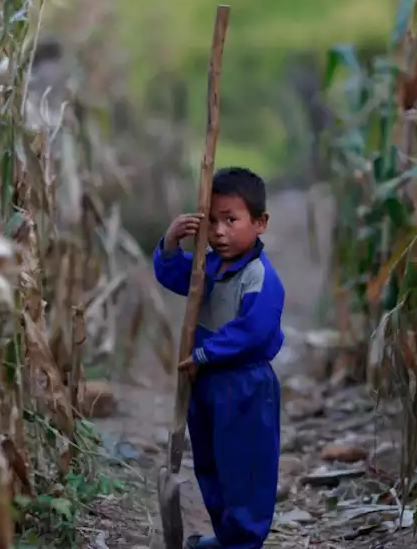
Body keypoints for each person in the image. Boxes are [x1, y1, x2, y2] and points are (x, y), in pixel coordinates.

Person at [152, 167, 285, 549]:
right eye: (211, 221)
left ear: (260, 223)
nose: (220, 231)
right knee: (212, 465)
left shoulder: (259, 277)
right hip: (206, 383)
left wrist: (206, 352)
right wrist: (172, 243)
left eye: (231, 220)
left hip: (244, 384)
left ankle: (244, 541)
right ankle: (227, 537)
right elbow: (177, 278)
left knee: (245, 468)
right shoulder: (208, 266)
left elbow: (254, 329)